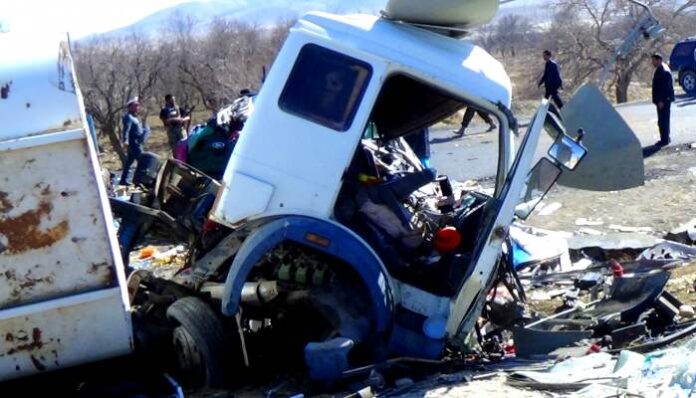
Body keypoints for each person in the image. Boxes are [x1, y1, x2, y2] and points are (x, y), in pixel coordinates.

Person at [119, 97, 150, 185]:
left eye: (138, 106)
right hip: (134, 144)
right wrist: (125, 140)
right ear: (130, 107)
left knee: (129, 162)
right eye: (135, 106)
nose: (137, 107)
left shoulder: (134, 117)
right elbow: (126, 130)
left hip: (137, 142)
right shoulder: (128, 117)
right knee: (142, 161)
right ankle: (140, 180)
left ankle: (123, 180)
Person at [651, 53, 675, 146]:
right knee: (662, 120)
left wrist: (662, 100)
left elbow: (666, 88)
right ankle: (665, 138)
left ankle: (664, 140)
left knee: (663, 120)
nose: (652, 62)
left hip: (664, 101)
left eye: (654, 60)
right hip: (660, 100)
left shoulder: (664, 71)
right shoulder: (659, 69)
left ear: (659, 60)